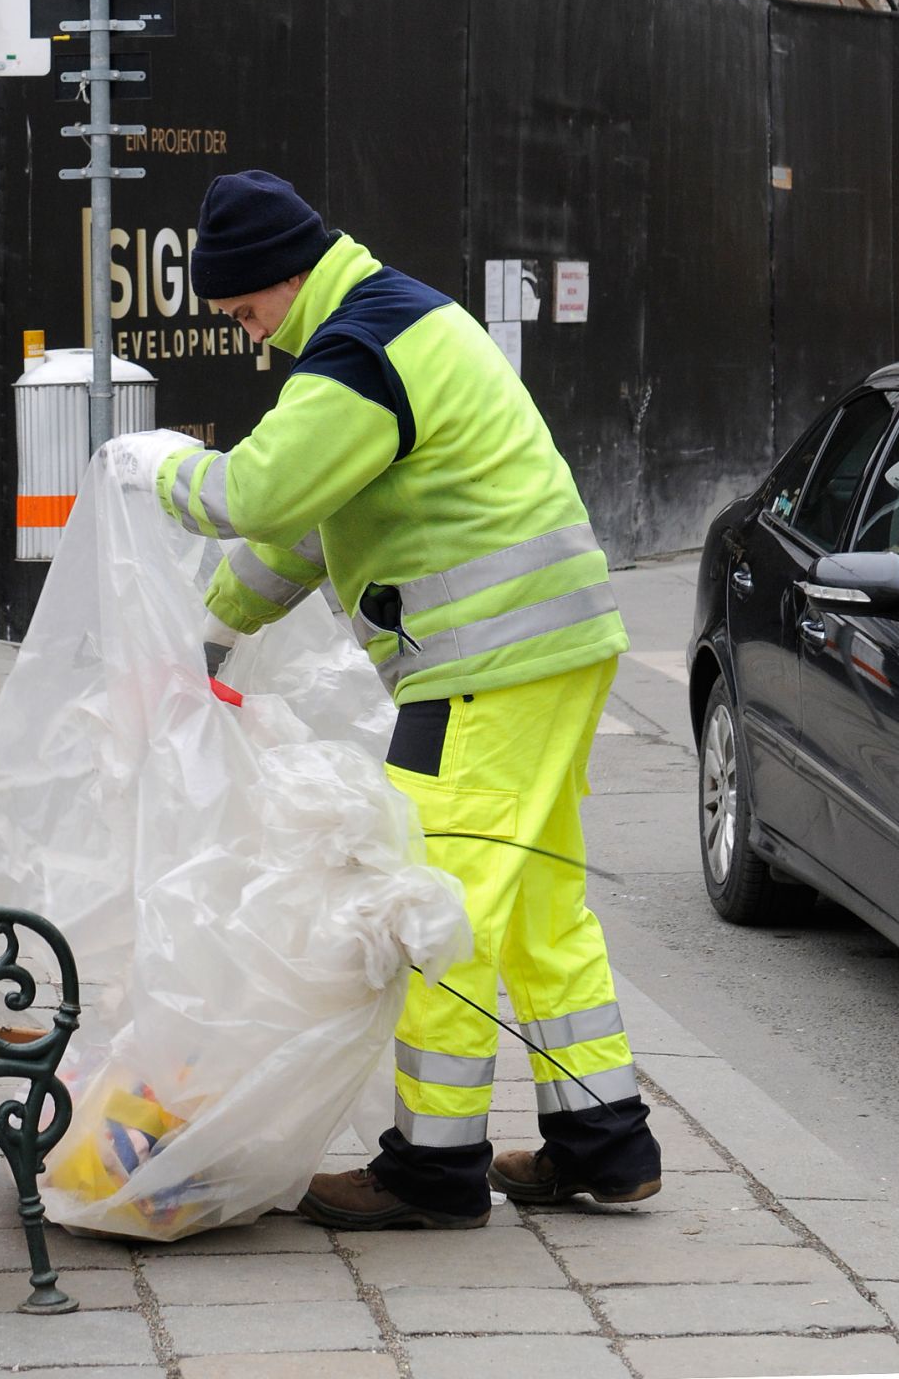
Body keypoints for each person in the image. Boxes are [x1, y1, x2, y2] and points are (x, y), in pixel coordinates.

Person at [154, 169, 662, 1232]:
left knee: (431, 913)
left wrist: (149, 472)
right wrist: (211, 631)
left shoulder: (354, 350)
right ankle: (603, 1141)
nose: (252, 337)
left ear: (285, 279)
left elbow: (257, 493)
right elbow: (301, 527)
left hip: (480, 666)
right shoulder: (397, 320)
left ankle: (431, 1168)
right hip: (552, 649)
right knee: (538, 907)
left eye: (248, 311)